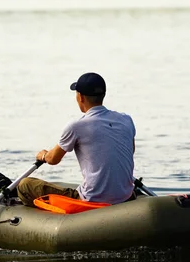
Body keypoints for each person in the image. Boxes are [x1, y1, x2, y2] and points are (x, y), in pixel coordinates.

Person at [17, 72, 136, 207]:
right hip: (126, 197)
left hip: (91, 201)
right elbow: (130, 151)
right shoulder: (126, 119)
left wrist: (43, 155)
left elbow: (53, 159)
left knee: (24, 185)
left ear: (80, 97)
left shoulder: (77, 126)